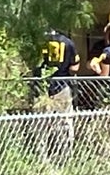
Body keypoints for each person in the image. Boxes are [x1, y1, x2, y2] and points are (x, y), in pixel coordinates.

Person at [38, 29, 80, 163]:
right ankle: (66, 154)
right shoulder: (68, 43)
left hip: (42, 86)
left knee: (41, 122)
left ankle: (42, 156)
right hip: (62, 85)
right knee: (65, 121)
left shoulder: (39, 42)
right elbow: (75, 67)